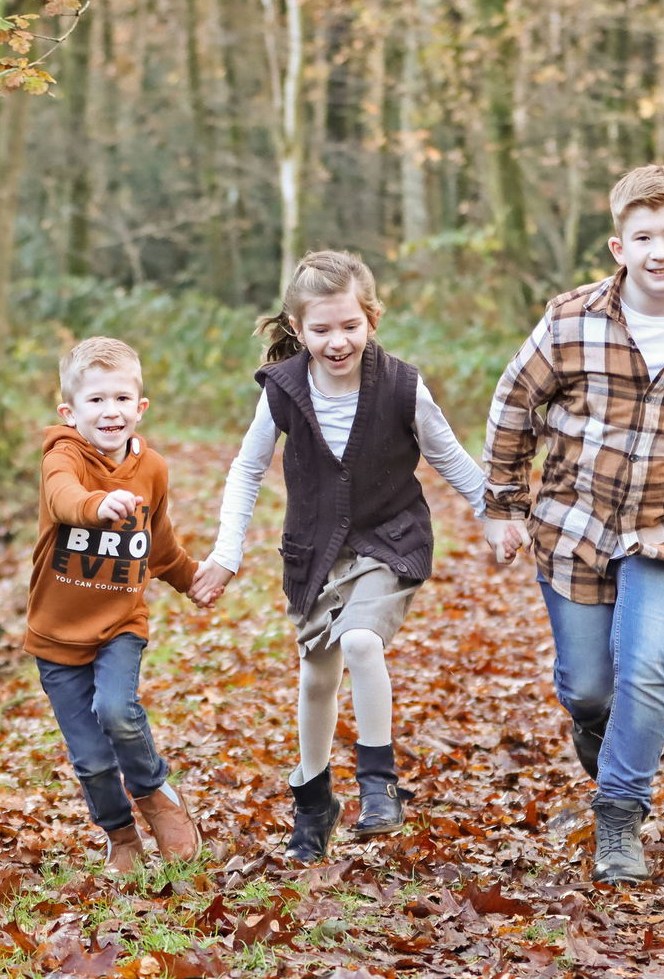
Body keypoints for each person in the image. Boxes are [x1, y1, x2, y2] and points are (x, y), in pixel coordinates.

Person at [481, 164, 664, 885]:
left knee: (648, 667)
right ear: (619, 247)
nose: (659, 252)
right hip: (576, 523)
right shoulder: (570, 320)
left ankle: (619, 815)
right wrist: (504, 505)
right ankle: (597, 728)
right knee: (588, 687)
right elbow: (513, 405)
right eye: (643, 238)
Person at [190, 250, 485, 863]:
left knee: (360, 643)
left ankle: (379, 783)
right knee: (317, 676)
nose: (337, 341)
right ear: (298, 329)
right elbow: (246, 470)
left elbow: (449, 456)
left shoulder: (402, 386)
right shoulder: (283, 390)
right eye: (321, 329)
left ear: (372, 318)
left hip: (389, 541)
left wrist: (496, 513)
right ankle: (314, 800)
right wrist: (226, 554)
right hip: (314, 551)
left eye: (350, 326)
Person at [25, 336, 207, 875]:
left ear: (140, 406)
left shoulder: (152, 469)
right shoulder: (62, 457)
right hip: (56, 634)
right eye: (97, 400)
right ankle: (121, 837)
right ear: (70, 412)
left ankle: (156, 794)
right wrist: (97, 504)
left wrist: (190, 579)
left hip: (120, 623)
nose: (111, 411)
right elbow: (63, 496)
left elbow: (159, 541)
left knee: (117, 712)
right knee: (92, 759)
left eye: (122, 398)